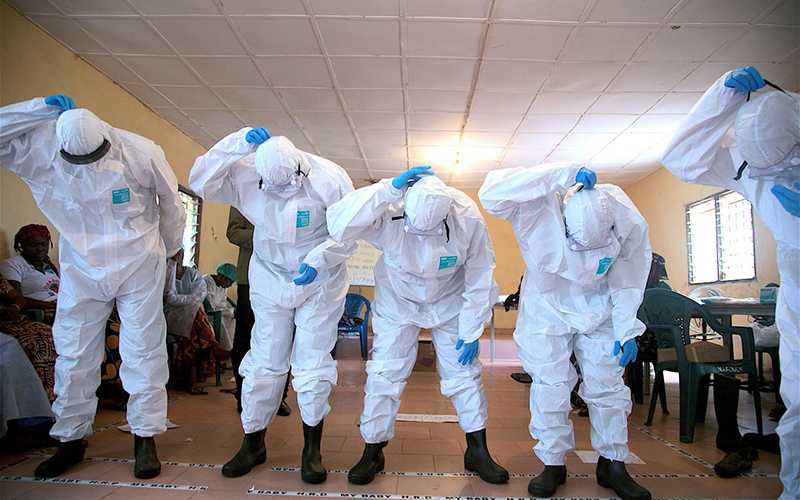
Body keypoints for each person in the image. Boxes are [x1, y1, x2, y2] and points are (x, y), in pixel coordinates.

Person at [0, 95, 185, 479]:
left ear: (107, 137)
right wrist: (38, 108)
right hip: (82, 266)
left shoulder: (140, 150)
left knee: (142, 348)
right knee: (73, 350)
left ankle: (145, 435)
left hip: (137, 261)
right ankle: (70, 438)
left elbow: (172, 204)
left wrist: (168, 251)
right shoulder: (42, 148)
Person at [661, 65, 799, 499]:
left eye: (781, 167)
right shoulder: (748, 167)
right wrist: (721, 97)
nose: (769, 177)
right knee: (797, 392)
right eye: (761, 168)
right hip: (795, 273)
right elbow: (681, 158)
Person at [189, 126, 355, 483]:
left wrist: (321, 259)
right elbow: (200, 179)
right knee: (265, 360)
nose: (280, 192)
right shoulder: (246, 173)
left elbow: (349, 231)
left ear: (301, 169)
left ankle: (312, 450)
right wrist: (236, 143)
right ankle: (253, 442)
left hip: (320, 278)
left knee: (311, 362)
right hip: (268, 274)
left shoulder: (330, 177)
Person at [479, 163, 652, 500]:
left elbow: (631, 272)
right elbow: (491, 192)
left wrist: (627, 326)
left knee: (607, 384)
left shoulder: (623, 213)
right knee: (551, 383)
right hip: (547, 306)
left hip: (599, 306)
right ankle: (553, 462)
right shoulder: (538, 205)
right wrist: (562, 172)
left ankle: (613, 463)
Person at [327, 168, 509, 486]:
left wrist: (470, 330)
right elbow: (339, 222)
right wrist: (387, 188)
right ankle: (373, 448)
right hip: (398, 301)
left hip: (448, 302)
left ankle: (477, 449)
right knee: (385, 372)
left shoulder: (467, 216)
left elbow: (481, 273)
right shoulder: (390, 207)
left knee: (464, 375)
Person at [226, 208, 291, 417]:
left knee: (282, 338)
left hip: (283, 276)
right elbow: (233, 232)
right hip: (250, 278)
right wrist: (265, 237)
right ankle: (243, 394)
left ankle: (279, 397)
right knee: (244, 338)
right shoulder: (242, 191)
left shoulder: (290, 190)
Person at [164, 250, 229, 395]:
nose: (177, 257)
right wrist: (187, 300)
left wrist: (181, 300)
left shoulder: (193, 274)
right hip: (170, 316)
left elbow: (198, 296)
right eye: (174, 254)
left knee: (192, 336)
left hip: (190, 319)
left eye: (180, 253)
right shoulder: (165, 274)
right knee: (195, 313)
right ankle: (213, 345)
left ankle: (190, 381)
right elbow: (169, 298)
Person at [0, 272, 56, 401]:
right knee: (29, 342)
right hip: (3, 327)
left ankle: (50, 397)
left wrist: (14, 307)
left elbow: (19, 298)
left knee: (49, 335)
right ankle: (32, 401)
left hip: (10, 319)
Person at [0, 224, 60, 320]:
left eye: (43, 244)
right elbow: (16, 299)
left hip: (59, 307)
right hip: (42, 311)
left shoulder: (49, 265)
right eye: (33, 245)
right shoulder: (12, 264)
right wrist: (55, 306)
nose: (40, 249)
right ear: (22, 245)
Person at [204, 262, 237, 351]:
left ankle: (231, 347)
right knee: (222, 322)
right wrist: (225, 310)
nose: (230, 285)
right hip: (208, 315)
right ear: (221, 276)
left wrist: (227, 311)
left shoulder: (223, 287)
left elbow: (223, 303)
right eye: (230, 282)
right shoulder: (206, 282)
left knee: (233, 319)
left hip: (218, 312)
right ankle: (224, 349)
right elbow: (210, 305)